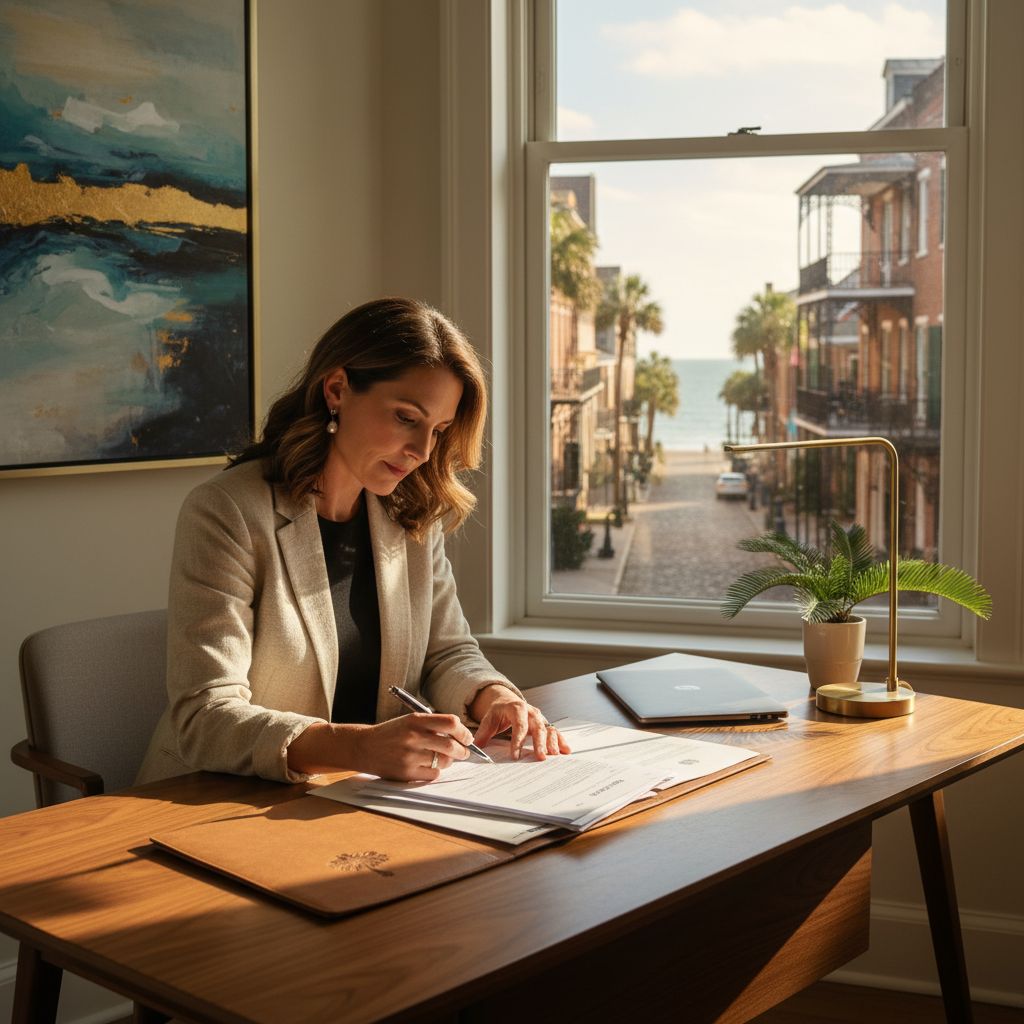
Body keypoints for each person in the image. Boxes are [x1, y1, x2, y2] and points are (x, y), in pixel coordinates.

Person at [137, 297, 569, 786]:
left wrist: (493, 694)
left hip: (357, 798)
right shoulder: (227, 511)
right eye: (407, 417)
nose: (422, 452)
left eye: (439, 430)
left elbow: (446, 652)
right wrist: (358, 747)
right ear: (338, 390)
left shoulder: (410, 514)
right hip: (218, 799)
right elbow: (203, 715)